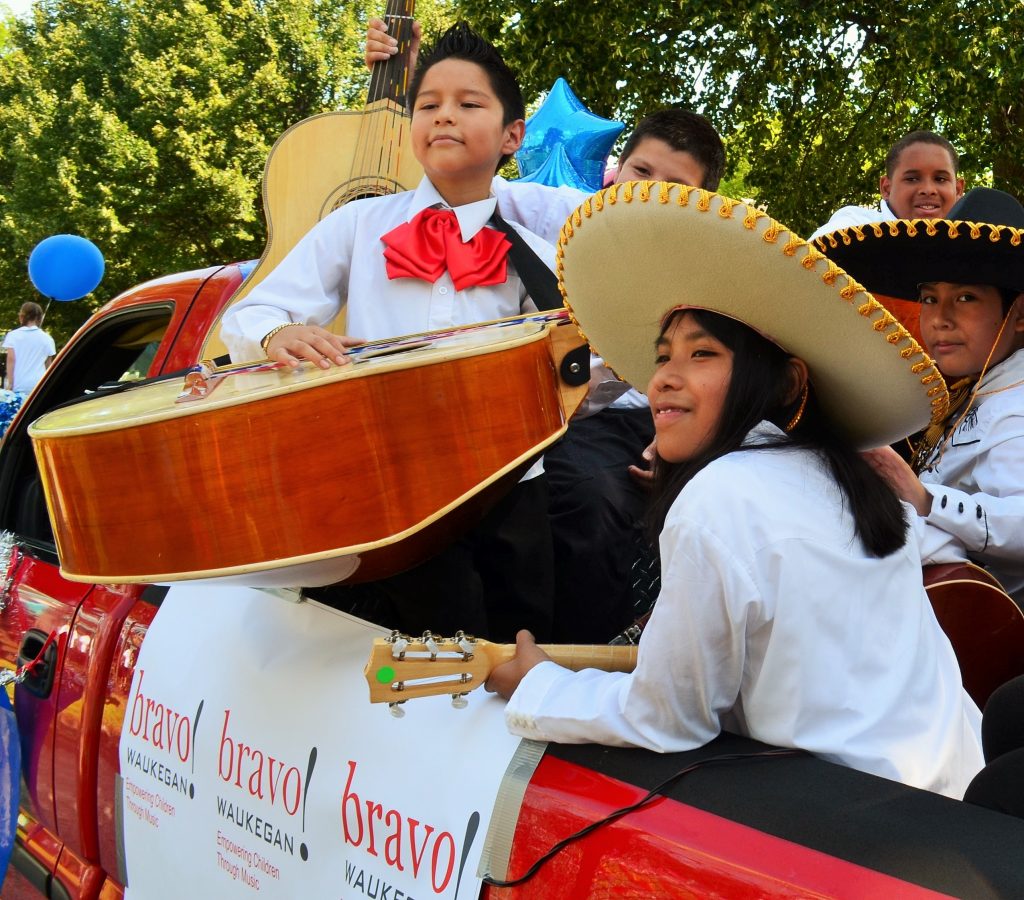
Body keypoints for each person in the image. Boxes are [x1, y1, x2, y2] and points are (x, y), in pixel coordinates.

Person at [486, 181, 983, 799]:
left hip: (846, 829)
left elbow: (669, 719)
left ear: (783, 384)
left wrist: (535, 684)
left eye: (702, 354)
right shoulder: (859, 484)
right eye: (663, 355)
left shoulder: (720, 497)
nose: (664, 377)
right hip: (958, 796)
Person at [368, 17, 730, 639]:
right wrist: (406, 82)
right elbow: (453, 177)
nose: (649, 194)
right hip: (514, 413)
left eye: (674, 188)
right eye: (642, 173)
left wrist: (683, 444)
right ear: (617, 171)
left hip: (622, 422)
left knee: (584, 500)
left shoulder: (710, 278)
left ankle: (579, 669)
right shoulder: (553, 212)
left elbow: (726, 381)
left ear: (700, 204)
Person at [221, 22, 557, 642]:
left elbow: (586, 371)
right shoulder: (358, 224)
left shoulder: (535, 253)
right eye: (428, 105)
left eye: (468, 103)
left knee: (516, 648)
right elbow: (250, 312)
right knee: (418, 649)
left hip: (510, 490)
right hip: (387, 484)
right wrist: (277, 337)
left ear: (514, 134)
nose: (444, 117)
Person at [816, 187, 1024, 610]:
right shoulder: (969, 389)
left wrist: (925, 499)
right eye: (930, 298)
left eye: (965, 298)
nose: (940, 319)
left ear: (1019, 315)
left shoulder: (1015, 404)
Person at [810, 130, 965, 240]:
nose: (928, 190)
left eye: (940, 179)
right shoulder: (854, 232)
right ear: (886, 188)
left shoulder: (975, 239)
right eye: (912, 179)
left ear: (958, 190)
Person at [3, 302, 56, 395]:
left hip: (18, 384)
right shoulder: (47, 338)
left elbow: (11, 360)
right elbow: (48, 365)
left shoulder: (13, 336)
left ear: (21, 316)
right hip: (39, 385)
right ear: (40, 318)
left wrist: (10, 384)